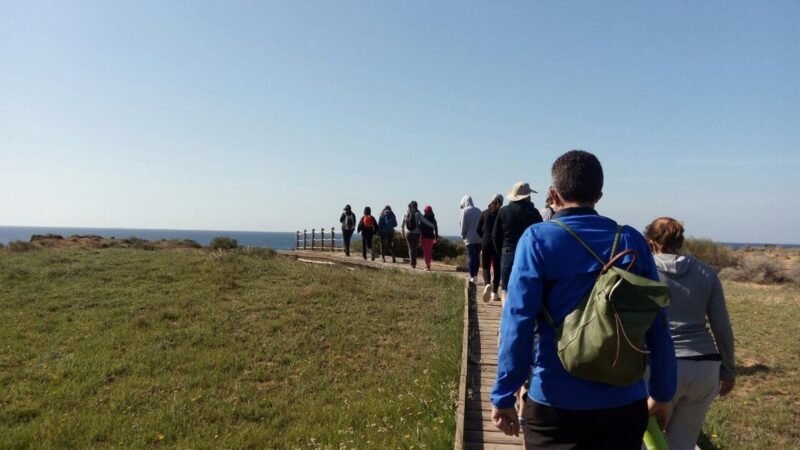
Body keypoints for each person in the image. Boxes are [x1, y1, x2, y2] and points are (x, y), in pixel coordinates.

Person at [490, 150, 676, 450]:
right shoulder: (631, 240)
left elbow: (518, 323)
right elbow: (657, 323)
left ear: (553, 193)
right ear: (599, 195)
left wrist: (503, 394)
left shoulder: (537, 239)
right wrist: (663, 392)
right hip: (623, 402)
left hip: (554, 401)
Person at [645, 217, 736, 450]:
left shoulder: (644, 271)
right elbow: (721, 326)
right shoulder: (706, 272)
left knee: (647, 439)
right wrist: (728, 369)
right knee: (683, 442)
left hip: (658, 366)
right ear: (680, 241)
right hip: (704, 367)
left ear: (651, 242)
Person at [492, 182, 543, 303]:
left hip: (508, 251)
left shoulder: (504, 211)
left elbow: (495, 235)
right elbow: (540, 234)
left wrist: (501, 251)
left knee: (505, 289)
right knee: (525, 288)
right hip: (527, 253)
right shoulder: (534, 213)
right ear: (527, 196)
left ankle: (506, 316)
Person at [477, 194, 503, 302]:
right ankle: (495, 293)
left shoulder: (484, 213)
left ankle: (487, 283)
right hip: (497, 243)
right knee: (497, 269)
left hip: (486, 241)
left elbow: (478, 229)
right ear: (501, 203)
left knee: (486, 266)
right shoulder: (501, 214)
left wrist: (483, 237)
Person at [459, 195, 482, 283]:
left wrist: (462, 235)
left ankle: (472, 276)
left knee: (471, 256)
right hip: (479, 238)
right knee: (477, 257)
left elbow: (462, 224)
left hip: (469, 238)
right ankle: (475, 275)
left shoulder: (464, 211)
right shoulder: (478, 210)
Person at [419, 205, 439, 271]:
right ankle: (428, 264)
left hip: (424, 237)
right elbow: (436, 229)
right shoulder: (433, 219)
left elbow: (420, 228)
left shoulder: (423, 218)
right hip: (430, 237)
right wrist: (436, 237)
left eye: (425, 211)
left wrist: (420, 237)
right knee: (428, 251)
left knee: (426, 251)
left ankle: (427, 265)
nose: (425, 212)